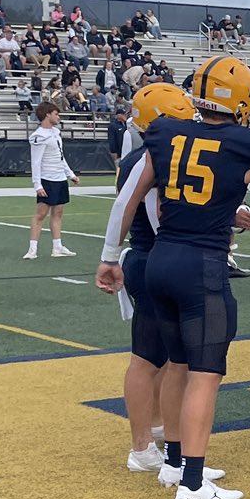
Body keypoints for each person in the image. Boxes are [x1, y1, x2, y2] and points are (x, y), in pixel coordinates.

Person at [101, 56, 250, 499]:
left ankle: (174, 463)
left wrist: (109, 258)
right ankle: (192, 483)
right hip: (202, 268)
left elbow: (130, 199)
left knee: (175, 364)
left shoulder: (165, 134)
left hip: (159, 263)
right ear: (241, 100)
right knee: (204, 377)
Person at [98, 81, 199, 476]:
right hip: (155, 258)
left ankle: (156, 432)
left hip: (151, 258)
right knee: (150, 358)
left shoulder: (148, 154)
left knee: (163, 358)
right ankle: (142, 446)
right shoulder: (152, 158)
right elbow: (157, 217)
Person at [24, 101, 79, 259]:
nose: (58, 117)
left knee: (58, 212)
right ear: (47, 115)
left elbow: (60, 156)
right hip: (47, 179)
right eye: (56, 114)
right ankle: (32, 249)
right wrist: (37, 184)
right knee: (40, 214)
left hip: (60, 178)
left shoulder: (56, 132)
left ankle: (57, 247)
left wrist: (70, 174)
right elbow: (36, 161)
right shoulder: (38, 136)